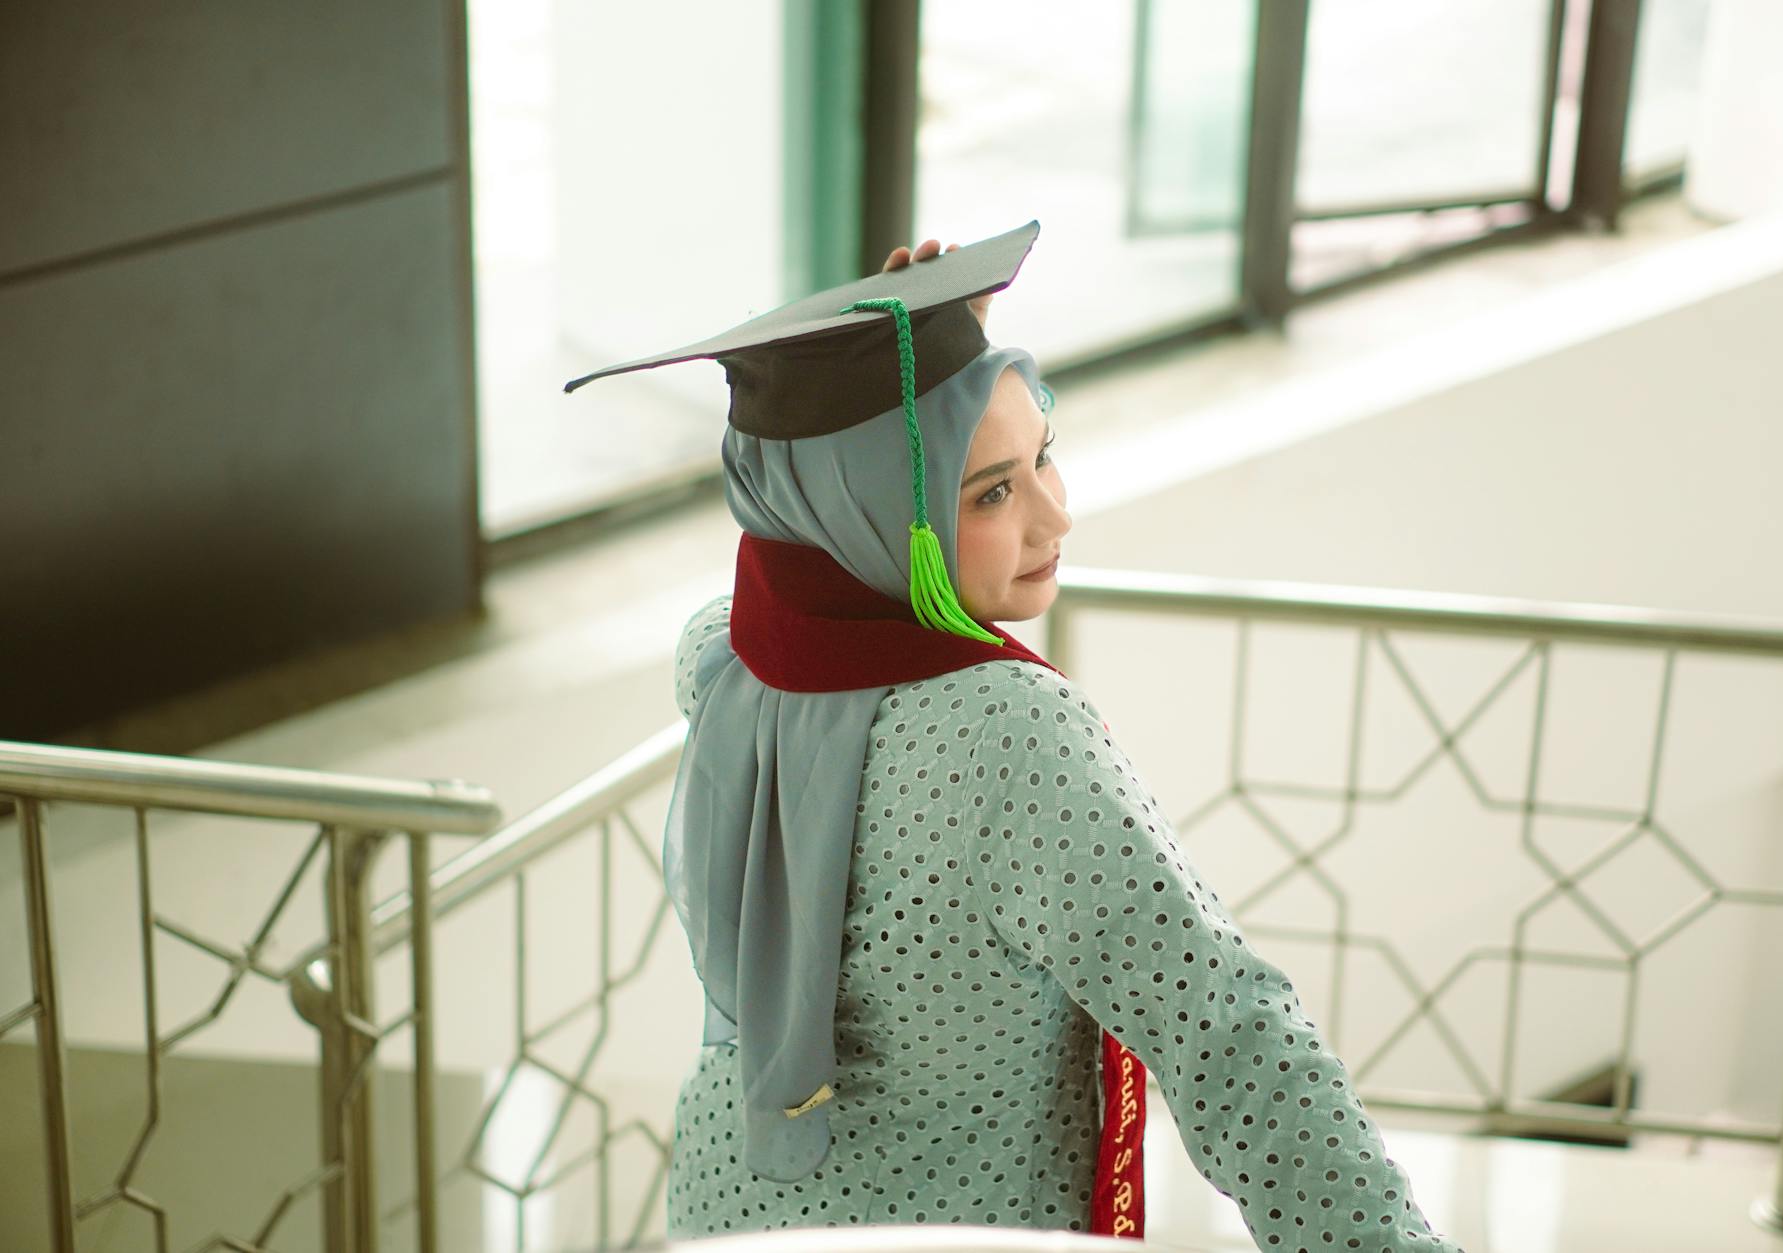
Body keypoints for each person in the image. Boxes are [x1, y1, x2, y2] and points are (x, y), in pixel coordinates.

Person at [564, 225, 1466, 1248]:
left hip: (727, 1218)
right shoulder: (1011, 734)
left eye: (1043, 455)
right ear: (870, 513)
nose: (1053, 516)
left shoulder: (728, 663)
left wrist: (940, 363)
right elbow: (1225, 1030)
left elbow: (820, 523)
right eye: (990, 490)